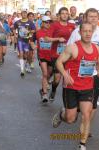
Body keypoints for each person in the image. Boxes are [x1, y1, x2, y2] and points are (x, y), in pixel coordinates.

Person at [52, 22, 99, 150]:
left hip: (87, 87)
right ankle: (62, 114)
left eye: (90, 31)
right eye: (85, 31)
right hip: (71, 87)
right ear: (80, 32)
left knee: (86, 114)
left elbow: (98, 63)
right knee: (70, 119)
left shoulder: (97, 49)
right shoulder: (73, 47)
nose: (88, 33)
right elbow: (59, 62)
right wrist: (65, 75)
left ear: (92, 33)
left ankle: (82, 144)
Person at [67, 8, 99, 138]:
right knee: (71, 117)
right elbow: (68, 53)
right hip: (77, 76)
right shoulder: (76, 32)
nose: (93, 19)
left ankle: (84, 131)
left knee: (93, 106)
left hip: (94, 75)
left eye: (95, 17)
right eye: (90, 16)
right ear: (85, 18)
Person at [49, 7, 75, 102]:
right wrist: (57, 39)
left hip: (68, 55)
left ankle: (67, 100)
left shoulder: (72, 26)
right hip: (56, 55)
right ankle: (53, 90)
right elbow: (47, 38)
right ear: (59, 15)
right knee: (57, 78)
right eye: (62, 13)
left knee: (66, 77)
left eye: (66, 13)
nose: (64, 15)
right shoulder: (54, 25)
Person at [36, 16, 58, 103]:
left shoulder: (52, 31)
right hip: (42, 56)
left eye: (49, 22)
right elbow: (45, 39)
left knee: (49, 74)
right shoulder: (38, 32)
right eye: (46, 22)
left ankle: (42, 89)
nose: (48, 24)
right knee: (45, 74)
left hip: (51, 56)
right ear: (42, 23)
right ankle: (44, 94)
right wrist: (33, 45)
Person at [13, 10, 36, 77]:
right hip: (20, 40)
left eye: (25, 14)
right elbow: (14, 28)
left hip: (27, 41)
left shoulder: (30, 22)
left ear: (26, 15)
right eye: (23, 14)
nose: (24, 15)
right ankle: (22, 70)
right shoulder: (18, 22)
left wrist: (28, 32)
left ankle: (25, 64)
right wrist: (15, 34)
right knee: (21, 54)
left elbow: (34, 30)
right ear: (21, 15)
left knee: (26, 55)